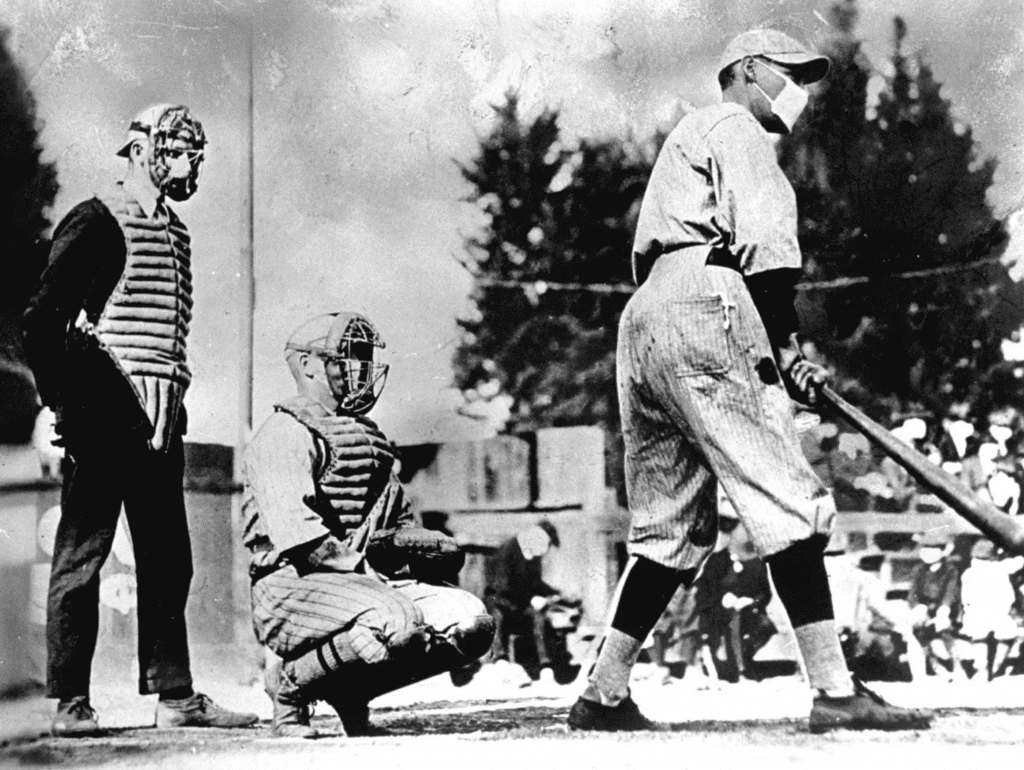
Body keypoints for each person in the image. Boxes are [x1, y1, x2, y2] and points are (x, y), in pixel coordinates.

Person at [567, 29, 930, 733]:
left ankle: (601, 692)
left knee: (667, 528)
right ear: (750, 69)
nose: (801, 90)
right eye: (790, 73)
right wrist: (787, 343)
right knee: (786, 499)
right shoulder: (736, 125)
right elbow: (764, 243)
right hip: (707, 295)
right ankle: (834, 689)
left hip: (645, 317)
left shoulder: (689, 137)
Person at [21, 104, 258, 735]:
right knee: (83, 556)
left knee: (167, 557)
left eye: (194, 151)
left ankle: (174, 696)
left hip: (160, 416)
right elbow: (42, 319)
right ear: (142, 148)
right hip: (103, 408)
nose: (188, 162)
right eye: (177, 148)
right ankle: (68, 700)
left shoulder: (175, 231)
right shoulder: (98, 218)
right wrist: (57, 401)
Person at [242, 312, 494, 737]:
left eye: (363, 358)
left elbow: (396, 526)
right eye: (346, 358)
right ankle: (289, 690)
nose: (360, 370)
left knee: (471, 624)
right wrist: (369, 573)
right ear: (308, 366)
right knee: (395, 621)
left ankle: (349, 692)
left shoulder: (368, 439)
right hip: (289, 585)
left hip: (358, 583)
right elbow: (303, 541)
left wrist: (418, 550)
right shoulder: (284, 432)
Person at [483, 521, 580, 684]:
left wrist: (559, 594)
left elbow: (536, 584)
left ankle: (546, 666)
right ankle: (501, 660)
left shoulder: (533, 555)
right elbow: (502, 587)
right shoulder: (507, 550)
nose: (546, 550)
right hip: (501, 603)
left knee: (539, 616)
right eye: (547, 543)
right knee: (496, 612)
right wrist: (530, 599)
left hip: (519, 606)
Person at [958, 539, 1024, 680]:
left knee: (979, 638)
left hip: (977, 612)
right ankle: (995, 667)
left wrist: (967, 612)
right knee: (1005, 636)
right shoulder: (1000, 567)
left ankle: (982, 668)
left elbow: (966, 598)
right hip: (999, 611)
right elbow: (1018, 562)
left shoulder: (968, 573)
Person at [907, 529, 964, 681]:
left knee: (943, 633)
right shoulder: (919, 570)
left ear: (942, 551)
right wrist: (918, 606)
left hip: (943, 609)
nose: (927, 553)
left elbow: (951, 591)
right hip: (925, 609)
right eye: (924, 549)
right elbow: (912, 593)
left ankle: (957, 666)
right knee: (919, 634)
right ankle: (934, 667)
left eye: (932, 549)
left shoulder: (950, 570)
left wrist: (945, 608)